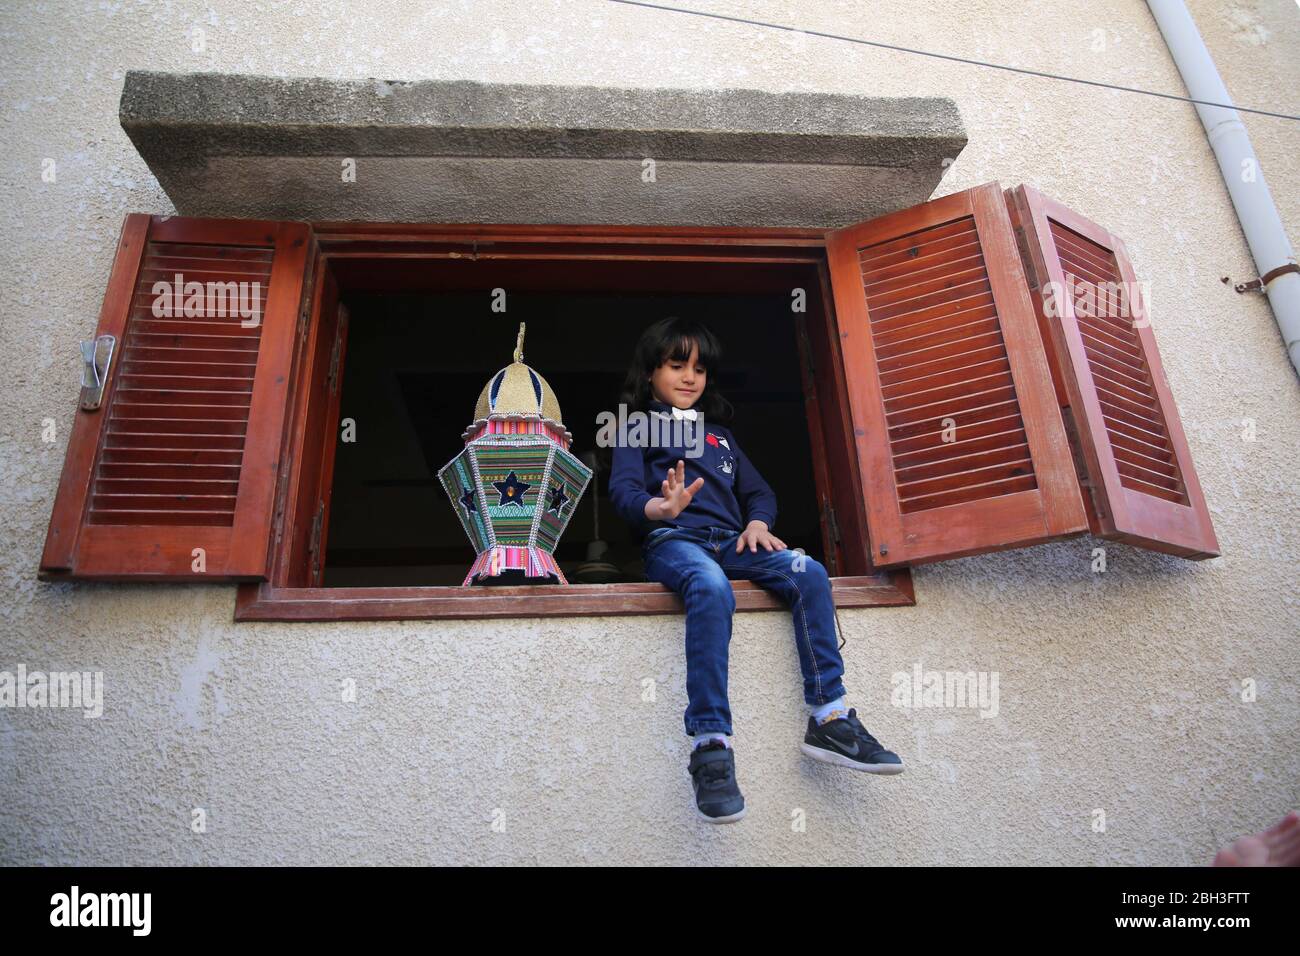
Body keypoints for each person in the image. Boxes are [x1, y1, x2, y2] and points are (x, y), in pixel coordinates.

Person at [608, 316, 903, 824]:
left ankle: (829, 717)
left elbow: (759, 492)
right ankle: (710, 744)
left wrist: (759, 524)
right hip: (674, 542)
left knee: (807, 569)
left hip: (730, 542)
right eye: (676, 365)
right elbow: (624, 493)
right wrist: (662, 509)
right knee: (710, 586)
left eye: (699, 369)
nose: (689, 377)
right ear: (651, 372)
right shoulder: (633, 427)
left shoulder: (720, 435)